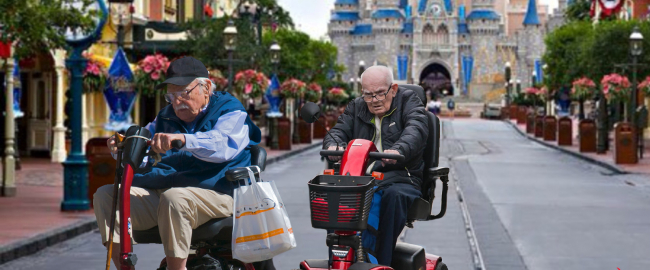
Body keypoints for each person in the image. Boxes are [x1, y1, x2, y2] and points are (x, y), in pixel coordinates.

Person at [93, 56, 272, 270]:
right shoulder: (165, 117)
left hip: (221, 193)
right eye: (171, 96)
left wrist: (184, 140)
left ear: (205, 88)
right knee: (108, 196)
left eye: (183, 93)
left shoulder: (230, 110)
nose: (177, 102)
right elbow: (143, 154)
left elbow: (223, 145)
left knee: (175, 198)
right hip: (171, 190)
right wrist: (123, 148)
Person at [323, 65, 428, 265]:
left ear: (393, 89)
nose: (375, 100)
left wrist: (399, 150)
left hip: (400, 177)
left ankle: (379, 262)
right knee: (335, 200)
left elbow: (416, 129)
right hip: (359, 177)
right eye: (369, 95)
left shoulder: (409, 102)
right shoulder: (357, 106)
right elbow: (338, 130)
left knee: (389, 197)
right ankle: (338, 262)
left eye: (380, 93)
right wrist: (333, 144)